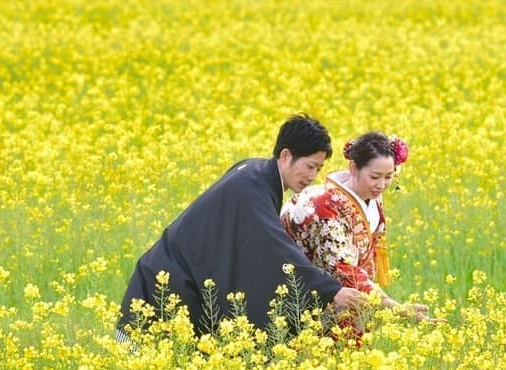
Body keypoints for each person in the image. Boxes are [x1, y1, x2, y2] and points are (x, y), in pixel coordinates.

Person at [116, 114, 364, 341]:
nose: (313, 176)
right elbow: (276, 249)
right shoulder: (252, 188)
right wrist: (330, 290)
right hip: (161, 292)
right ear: (286, 156)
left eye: (319, 169)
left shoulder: (254, 172)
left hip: (168, 281)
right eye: (310, 166)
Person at [281, 131, 436, 334]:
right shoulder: (323, 205)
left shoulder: (371, 196)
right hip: (306, 294)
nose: (381, 185)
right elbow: (342, 270)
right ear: (353, 168)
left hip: (351, 295)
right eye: (375, 177)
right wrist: (395, 308)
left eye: (389, 177)